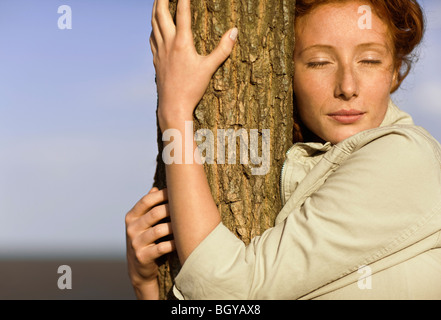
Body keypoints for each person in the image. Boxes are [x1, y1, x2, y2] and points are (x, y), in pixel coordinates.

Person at [125, 0, 441, 300]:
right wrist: (147, 285)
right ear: (285, 72)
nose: (347, 86)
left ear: (395, 70)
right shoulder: (308, 163)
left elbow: (226, 291)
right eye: (319, 62)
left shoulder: (405, 157)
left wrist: (176, 110)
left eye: (370, 60)